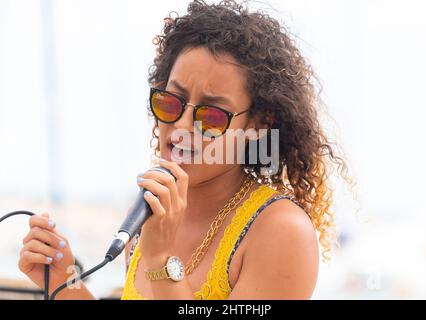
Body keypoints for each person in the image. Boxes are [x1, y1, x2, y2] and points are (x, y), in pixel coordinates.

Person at [18, 0, 350, 300]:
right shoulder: (150, 216)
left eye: (212, 115)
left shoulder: (282, 233)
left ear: (258, 125)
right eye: (171, 102)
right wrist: (63, 280)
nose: (182, 127)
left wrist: (161, 259)